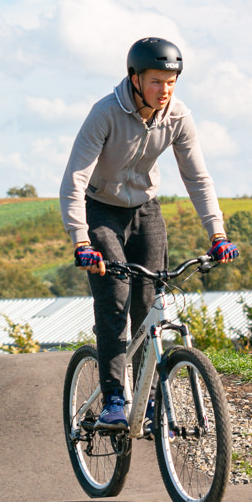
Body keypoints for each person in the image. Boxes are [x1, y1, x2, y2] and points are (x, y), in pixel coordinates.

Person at [59, 37, 238, 432]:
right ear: (135, 78)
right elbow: (74, 179)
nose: (165, 90)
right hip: (101, 211)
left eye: (172, 81)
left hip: (146, 211)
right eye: (157, 81)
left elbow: (197, 177)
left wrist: (218, 234)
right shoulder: (105, 113)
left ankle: (150, 396)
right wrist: (81, 240)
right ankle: (113, 400)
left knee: (151, 305)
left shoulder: (177, 116)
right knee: (115, 302)